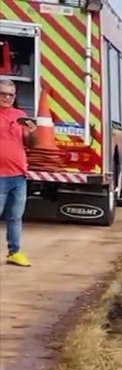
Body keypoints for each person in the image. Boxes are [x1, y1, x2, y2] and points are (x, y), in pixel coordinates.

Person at [0, 78, 35, 267]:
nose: (7, 98)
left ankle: (15, 252)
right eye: (3, 94)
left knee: (15, 218)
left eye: (10, 95)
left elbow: (30, 144)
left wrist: (32, 132)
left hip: (18, 176)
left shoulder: (20, 115)